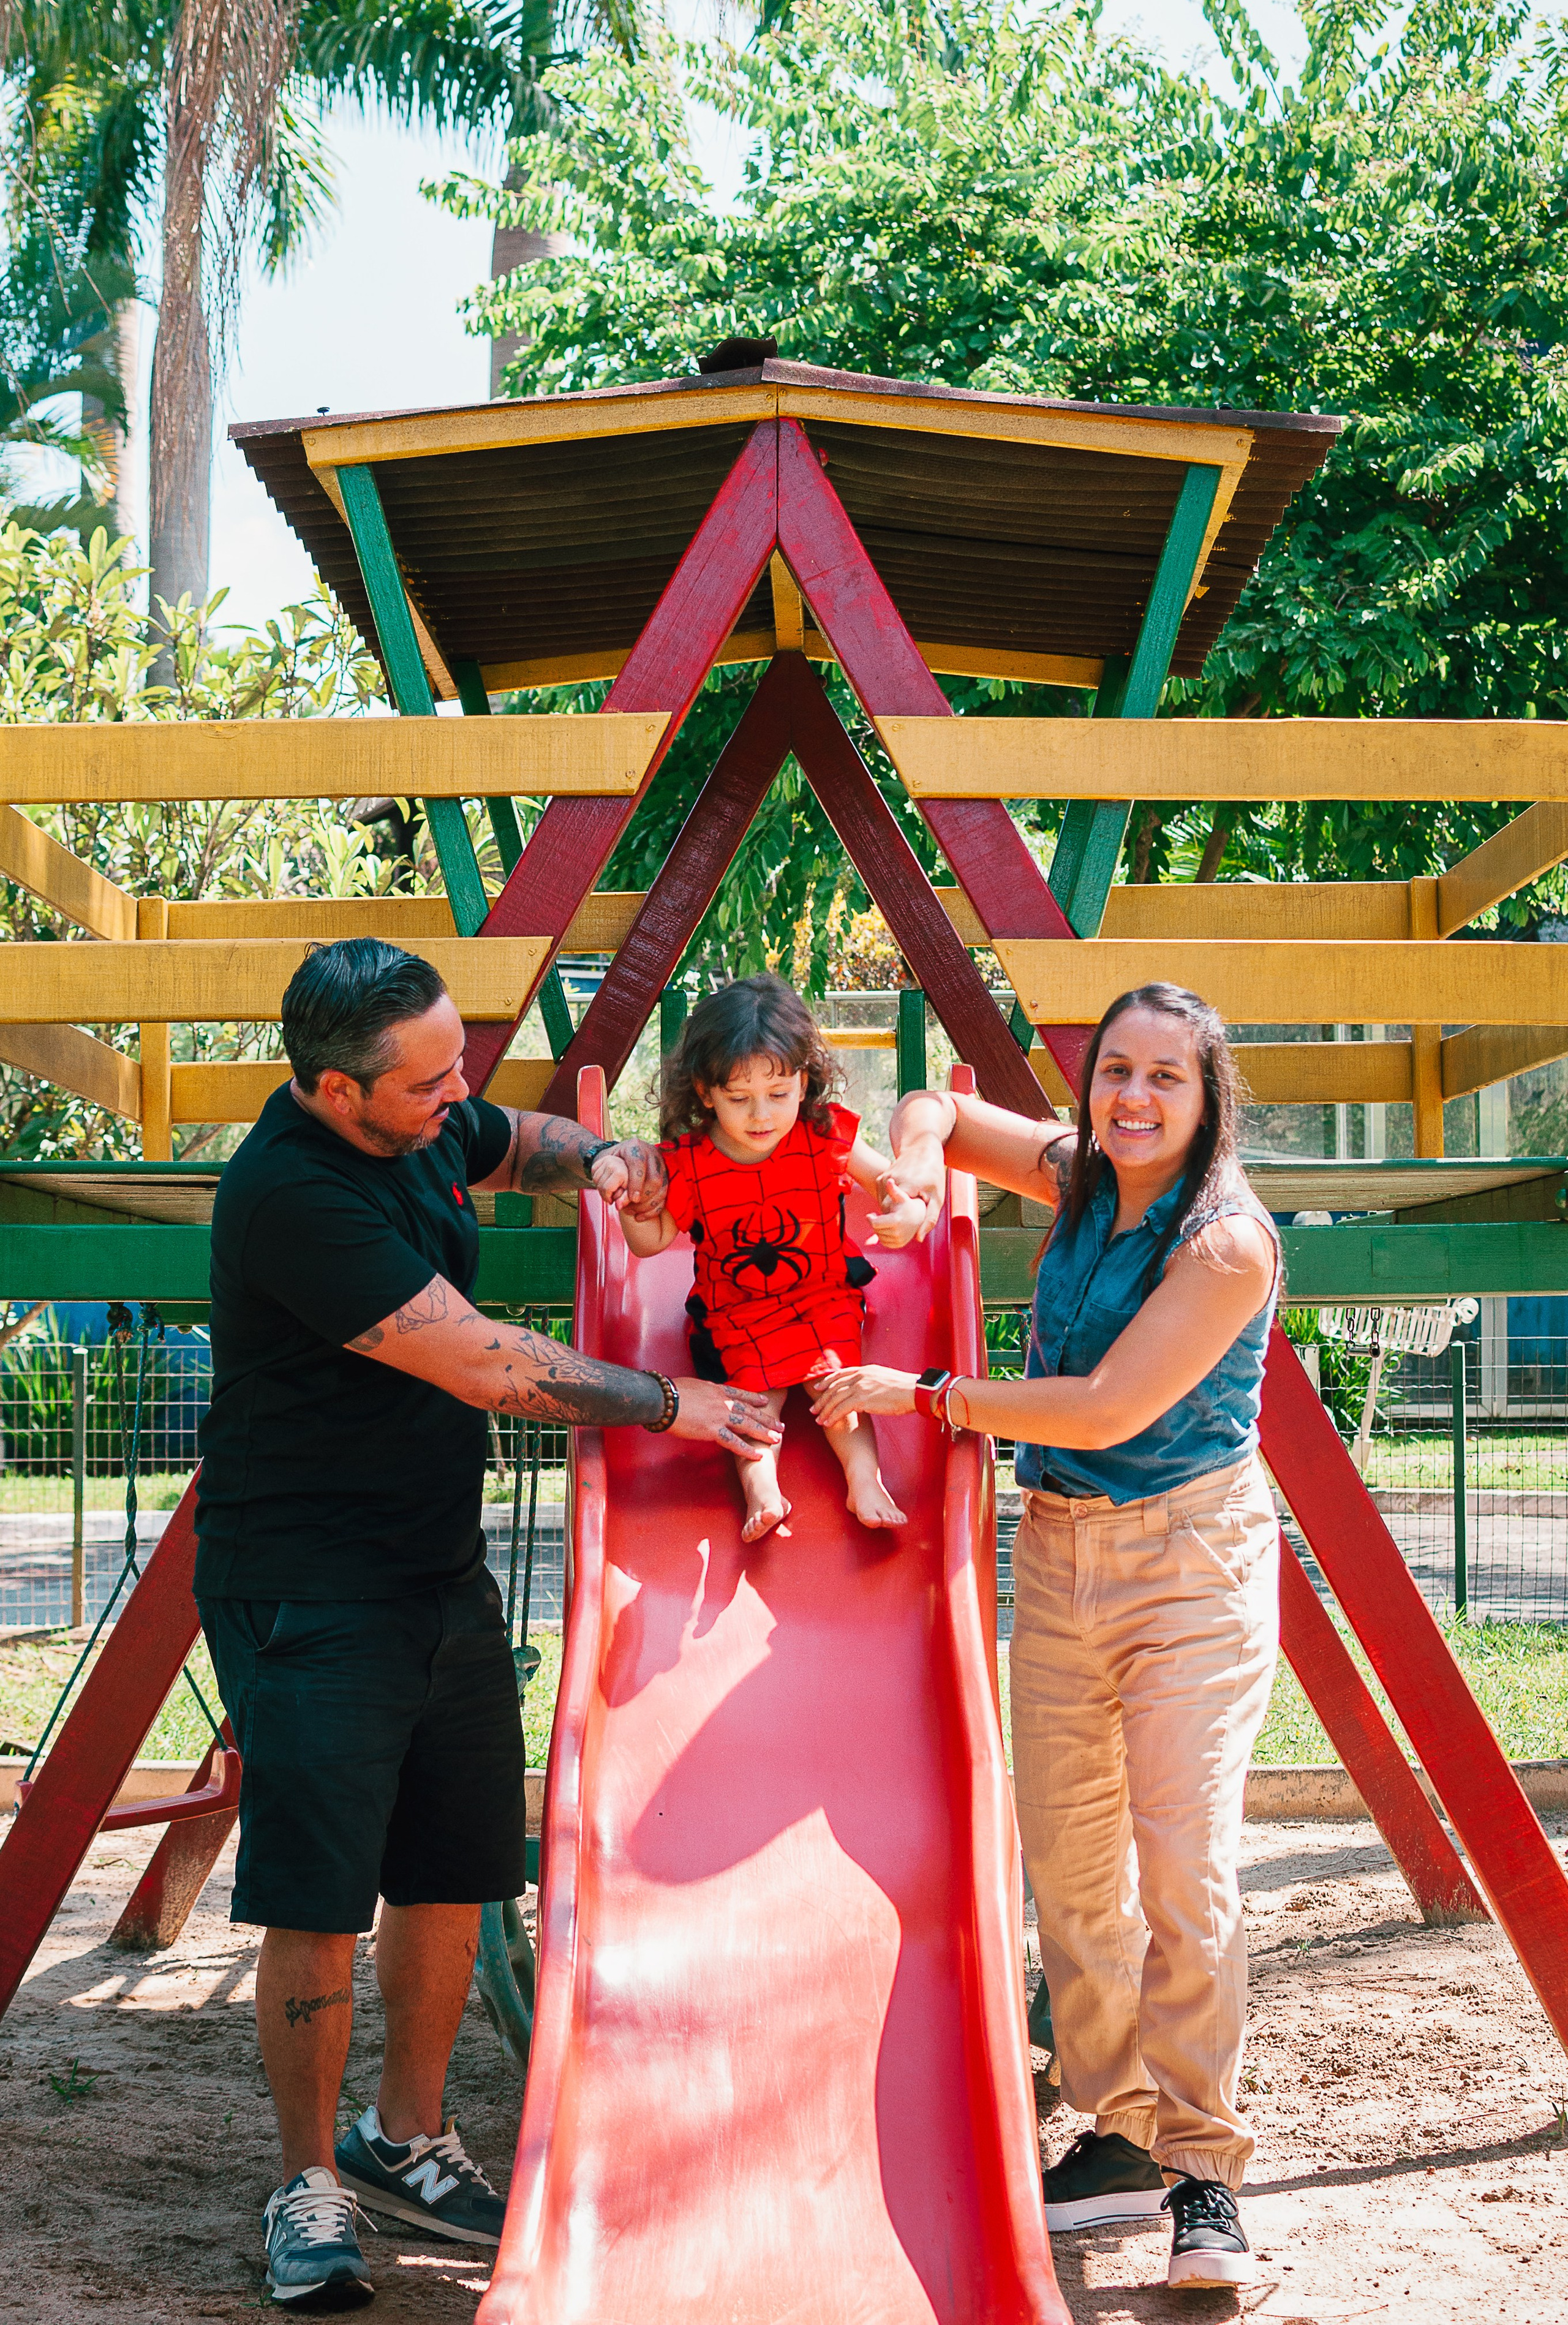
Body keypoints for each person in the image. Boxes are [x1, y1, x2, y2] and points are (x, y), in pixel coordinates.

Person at [194, 938, 783, 2309]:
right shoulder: (287, 1195)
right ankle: (307, 2182)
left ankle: (407, 2136)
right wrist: (664, 1400)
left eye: (453, 1058)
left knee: (454, 1868)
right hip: (308, 1583)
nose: (449, 1091)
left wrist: (603, 1155)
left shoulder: (415, 1113)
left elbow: (508, 1138)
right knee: (318, 1892)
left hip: (431, 1568)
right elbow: (480, 1359)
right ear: (335, 1093)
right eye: (421, 1081)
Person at [812, 982, 1280, 2294]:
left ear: (1206, 1098)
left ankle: (1205, 2176)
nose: (1131, 1099)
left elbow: (1103, 1405)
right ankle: (1122, 2124)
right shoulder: (1081, 1171)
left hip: (1187, 1555)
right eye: (1113, 1072)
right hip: (1063, 1551)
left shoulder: (1224, 1241)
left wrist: (928, 1396)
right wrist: (911, 1171)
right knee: (1071, 1866)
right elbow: (943, 1110)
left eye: (1163, 1080)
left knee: (1180, 1863)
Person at [620, 973, 924, 1543]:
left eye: (779, 1094)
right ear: (706, 1092)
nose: (762, 1114)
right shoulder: (688, 1162)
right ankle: (763, 1490)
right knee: (754, 1396)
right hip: (736, 1308)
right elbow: (650, 1242)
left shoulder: (823, 1133)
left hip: (822, 1291)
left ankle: (864, 1478)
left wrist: (902, 1206)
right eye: (739, 1098)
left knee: (838, 1381)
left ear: (804, 1081)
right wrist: (631, 1203)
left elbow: (887, 1180)